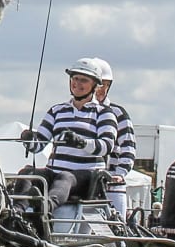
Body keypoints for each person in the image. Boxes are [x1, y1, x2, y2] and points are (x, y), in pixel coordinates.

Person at [23, 59, 117, 222]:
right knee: (27, 174)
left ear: (94, 85)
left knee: (65, 177)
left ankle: (46, 208)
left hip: (86, 176)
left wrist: (80, 142)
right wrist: (29, 140)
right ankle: (18, 213)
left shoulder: (104, 113)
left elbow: (106, 146)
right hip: (54, 171)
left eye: (84, 80)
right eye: (75, 79)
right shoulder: (57, 111)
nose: (77, 83)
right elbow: (39, 145)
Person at [90, 58, 135, 225]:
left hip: (111, 186)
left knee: (116, 231)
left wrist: (119, 174)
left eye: (106, 85)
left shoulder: (118, 113)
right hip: (86, 184)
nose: (102, 89)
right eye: (99, 84)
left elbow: (128, 148)